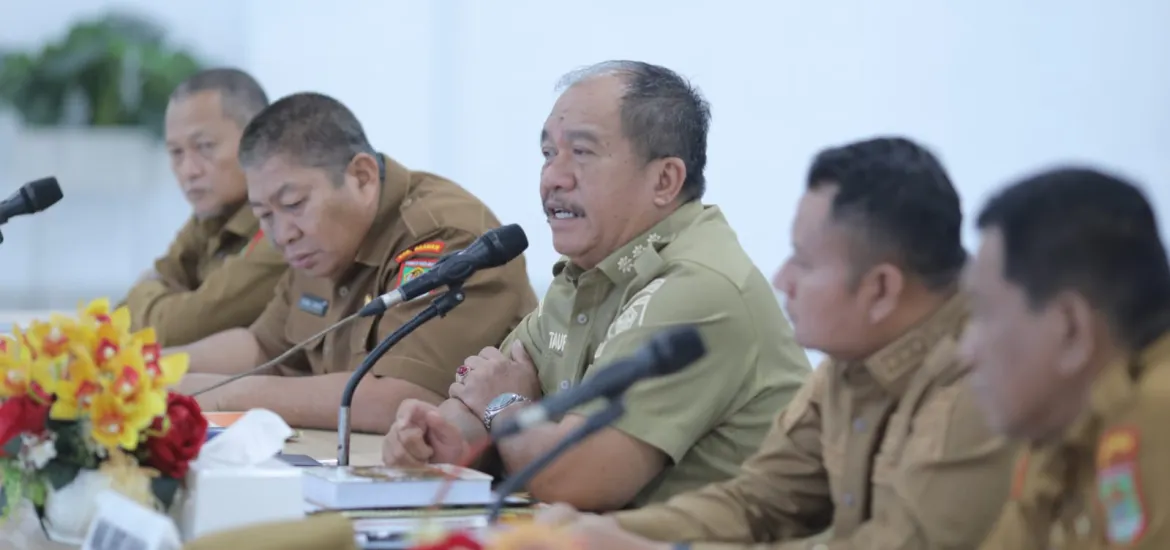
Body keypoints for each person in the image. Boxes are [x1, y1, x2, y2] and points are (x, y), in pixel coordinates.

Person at [536, 136, 1018, 549]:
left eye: (804, 263)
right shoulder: (853, 359)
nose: (783, 279)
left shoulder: (980, 381)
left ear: (881, 290)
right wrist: (600, 533)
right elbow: (759, 503)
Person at [380, 60, 811, 511]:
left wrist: (504, 406)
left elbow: (575, 480)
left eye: (582, 152)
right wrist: (437, 441)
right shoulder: (586, 273)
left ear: (664, 180)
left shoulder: (699, 286)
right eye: (548, 153)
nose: (553, 177)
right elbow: (480, 397)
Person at [173, 92, 538, 433]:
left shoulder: (444, 235)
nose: (282, 234)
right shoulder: (318, 242)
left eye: (294, 204)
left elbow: (400, 397)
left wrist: (223, 396)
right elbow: (264, 346)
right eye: (264, 215)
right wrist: (158, 370)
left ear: (362, 177)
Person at [962, 168, 1170, 549]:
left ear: (1071, 328)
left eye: (984, 314)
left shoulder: (1158, 424)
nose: (966, 353)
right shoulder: (1060, 427)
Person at [121, 68, 287, 347]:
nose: (188, 170)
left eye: (205, 146)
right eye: (176, 153)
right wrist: (157, 296)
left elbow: (176, 330)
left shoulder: (285, 227)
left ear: (258, 142)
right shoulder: (210, 215)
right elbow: (121, 320)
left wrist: (144, 287)